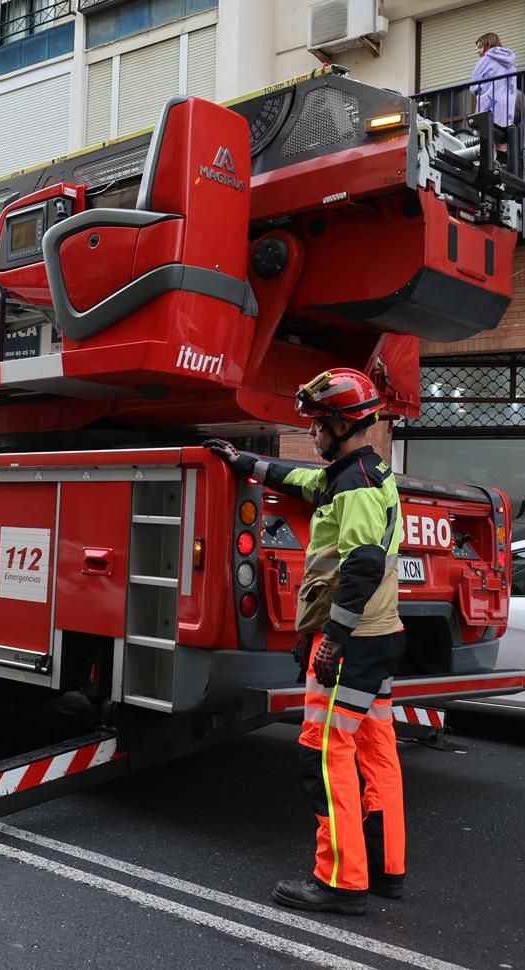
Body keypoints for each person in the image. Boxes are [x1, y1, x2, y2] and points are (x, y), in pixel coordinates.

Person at [205, 368, 406, 917]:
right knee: (376, 748)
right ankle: (386, 868)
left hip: (353, 640)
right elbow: (297, 480)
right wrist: (242, 461)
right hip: (380, 635)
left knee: (323, 754)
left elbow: (362, 566)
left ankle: (340, 881)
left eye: (318, 423)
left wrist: (332, 639)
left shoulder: (356, 485)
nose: (312, 433)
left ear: (342, 422)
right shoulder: (361, 472)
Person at [471, 32, 519, 130]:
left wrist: (478, 91)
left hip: (488, 103)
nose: (478, 51)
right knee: (503, 137)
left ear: (488, 44)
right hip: (506, 104)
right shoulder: (511, 63)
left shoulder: (485, 60)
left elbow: (474, 85)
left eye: (480, 47)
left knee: (485, 137)